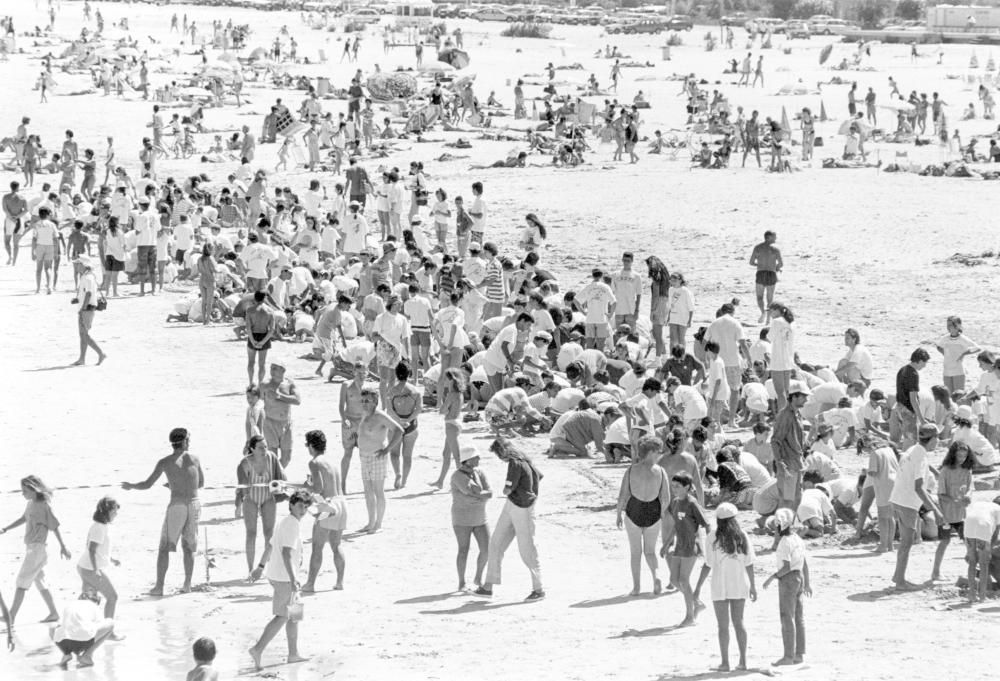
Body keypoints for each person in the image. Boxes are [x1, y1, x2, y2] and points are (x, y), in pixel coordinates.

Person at [121, 427, 204, 595]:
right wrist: (179, 485)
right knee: (188, 547)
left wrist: (131, 486)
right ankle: (187, 584)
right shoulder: (195, 459)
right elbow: (200, 484)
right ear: (184, 441)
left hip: (177, 506)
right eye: (189, 439)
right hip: (195, 504)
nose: (190, 442)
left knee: (164, 547)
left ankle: (159, 587)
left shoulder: (165, 462)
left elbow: (147, 484)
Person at [248, 491, 312, 672]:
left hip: (278, 574)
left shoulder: (285, 521)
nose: (303, 510)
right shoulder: (291, 524)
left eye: (306, 507)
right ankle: (257, 649)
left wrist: (260, 567)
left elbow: (270, 545)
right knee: (283, 615)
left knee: (295, 614)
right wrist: (293, 580)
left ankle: (293, 653)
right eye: (300, 506)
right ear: (291, 504)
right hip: (285, 577)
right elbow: (286, 553)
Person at [476, 438, 545, 601]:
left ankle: (539, 588)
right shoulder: (527, 461)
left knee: (525, 548)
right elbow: (539, 477)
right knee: (497, 543)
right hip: (519, 504)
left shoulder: (515, 463)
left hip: (520, 506)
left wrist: (512, 489)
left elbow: (507, 489)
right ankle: (488, 586)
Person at [693, 503, 757, 672]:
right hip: (739, 583)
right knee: (739, 623)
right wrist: (753, 586)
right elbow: (749, 564)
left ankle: (725, 662)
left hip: (719, 585)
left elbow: (707, 564)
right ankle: (743, 661)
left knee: (723, 626)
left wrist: (698, 587)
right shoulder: (742, 536)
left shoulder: (712, 537)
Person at [1, 475, 70, 626]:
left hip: (37, 549)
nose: (22, 493)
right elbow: (23, 518)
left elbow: (55, 526)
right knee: (40, 582)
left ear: (34, 489)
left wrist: (63, 546)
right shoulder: (30, 504)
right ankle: (54, 613)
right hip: (32, 548)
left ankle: (11, 616)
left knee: (21, 582)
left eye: (25, 490)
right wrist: (5, 529)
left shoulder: (44, 505)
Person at [889, 424, 943, 591]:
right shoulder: (919, 454)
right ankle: (900, 582)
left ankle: (898, 576)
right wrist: (935, 510)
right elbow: (918, 487)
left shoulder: (914, 449)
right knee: (907, 542)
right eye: (937, 438)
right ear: (932, 439)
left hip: (898, 498)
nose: (939, 441)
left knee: (906, 541)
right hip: (907, 502)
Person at [615, 434, 670, 595]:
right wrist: (661, 514)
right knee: (650, 551)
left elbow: (623, 495)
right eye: (658, 451)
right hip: (653, 511)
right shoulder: (660, 471)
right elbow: (666, 497)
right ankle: (656, 577)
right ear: (651, 452)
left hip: (634, 511)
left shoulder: (632, 469)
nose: (660, 454)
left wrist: (618, 514)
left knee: (635, 553)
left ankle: (637, 587)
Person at [763, 508, 810, 666]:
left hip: (788, 580)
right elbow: (804, 562)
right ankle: (799, 654)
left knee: (787, 617)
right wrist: (807, 583)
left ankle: (788, 656)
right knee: (798, 617)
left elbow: (786, 567)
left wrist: (772, 577)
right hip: (799, 577)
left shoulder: (784, 543)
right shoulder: (797, 538)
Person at [662, 471, 709, 626]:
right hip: (679, 545)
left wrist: (710, 544)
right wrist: (666, 543)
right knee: (674, 580)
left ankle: (690, 617)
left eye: (677, 486)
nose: (674, 488)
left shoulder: (692, 503)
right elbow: (676, 524)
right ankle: (695, 602)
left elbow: (706, 524)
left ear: (687, 487)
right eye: (673, 485)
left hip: (691, 545)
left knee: (683, 580)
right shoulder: (675, 502)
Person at [302, 430, 347, 593]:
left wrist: (306, 487)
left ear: (312, 446)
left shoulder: (314, 462)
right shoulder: (332, 462)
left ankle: (310, 584)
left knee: (317, 547)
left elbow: (318, 488)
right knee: (336, 545)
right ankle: (340, 581)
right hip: (341, 502)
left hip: (328, 504)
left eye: (307, 445)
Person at [236, 435, 286, 576]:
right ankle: (250, 568)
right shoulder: (245, 463)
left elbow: (281, 477)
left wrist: (280, 491)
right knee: (251, 533)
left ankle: (266, 568)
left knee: (269, 534)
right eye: (260, 447)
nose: (264, 450)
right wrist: (238, 505)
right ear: (252, 449)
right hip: (250, 498)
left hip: (268, 498)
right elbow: (241, 487)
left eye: (265, 446)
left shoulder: (271, 458)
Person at [356, 387, 404, 533]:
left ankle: (378, 524)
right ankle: (370, 522)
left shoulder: (380, 416)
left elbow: (399, 430)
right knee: (368, 490)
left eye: (367, 401)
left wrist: (387, 449)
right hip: (364, 456)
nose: (364, 403)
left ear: (375, 401)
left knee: (378, 491)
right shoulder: (365, 415)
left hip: (377, 456)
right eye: (363, 400)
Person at [451, 446, 493, 591]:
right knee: (463, 550)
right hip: (462, 518)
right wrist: (481, 495)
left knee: (487, 549)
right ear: (467, 460)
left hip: (480, 517)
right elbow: (471, 491)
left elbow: (488, 492)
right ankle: (462, 582)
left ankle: (478, 577)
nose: (479, 459)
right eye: (475, 457)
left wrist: (478, 495)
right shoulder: (457, 476)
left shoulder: (479, 472)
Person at [932, 441, 973, 582]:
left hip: (962, 514)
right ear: (953, 455)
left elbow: (970, 487)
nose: (962, 459)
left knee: (969, 542)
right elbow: (941, 494)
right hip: (946, 514)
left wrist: (968, 495)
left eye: (964, 456)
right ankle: (935, 572)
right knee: (944, 542)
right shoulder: (945, 471)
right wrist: (955, 501)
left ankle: (973, 571)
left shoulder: (967, 470)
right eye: (959, 456)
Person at [76, 497, 121, 622]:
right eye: (114, 512)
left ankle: (77, 628)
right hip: (89, 568)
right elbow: (91, 549)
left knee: (89, 601)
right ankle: (108, 631)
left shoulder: (102, 526)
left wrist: (111, 559)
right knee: (112, 597)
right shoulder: (99, 527)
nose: (116, 514)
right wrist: (96, 570)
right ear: (106, 512)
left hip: (85, 566)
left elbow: (100, 549)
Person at [52, 589, 115, 670]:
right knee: (110, 622)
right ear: (95, 602)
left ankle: (66, 654)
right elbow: (98, 627)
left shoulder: (71, 604)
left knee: (55, 627)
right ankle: (87, 655)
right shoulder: (93, 606)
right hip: (82, 641)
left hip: (62, 643)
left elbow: (60, 625)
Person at [772, 381, 810, 510]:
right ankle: (782, 528)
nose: (806, 399)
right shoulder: (785, 415)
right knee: (787, 500)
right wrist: (779, 462)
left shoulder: (797, 413)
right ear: (794, 397)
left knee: (797, 497)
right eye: (803, 396)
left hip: (796, 461)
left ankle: (789, 525)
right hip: (788, 461)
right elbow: (775, 440)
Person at [386, 361, 421, 489]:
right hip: (411, 426)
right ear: (409, 374)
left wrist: (399, 421)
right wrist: (408, 421)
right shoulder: (415, 391)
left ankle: (398, 473)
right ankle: (405, 481)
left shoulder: (391, 391)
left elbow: (389, 410)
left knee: (394, 454)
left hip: (395, 425)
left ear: (396, 374)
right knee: (407, 456)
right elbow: (418, 409)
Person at [260, 362, 301, 468]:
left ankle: (276, 476)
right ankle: (275, 480)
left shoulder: (290, 384)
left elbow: (297, 400)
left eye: (275, 368)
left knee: (287, 457)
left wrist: (279, 396)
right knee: (272, 456)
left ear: (283, 370)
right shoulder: (265, 384)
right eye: (271, 368)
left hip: (286, 424)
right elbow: (257, 400)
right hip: (270, 422)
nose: (272, 371)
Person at [963, 497, 1000, 603]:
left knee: (972, 562)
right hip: (984, 526)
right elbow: (995, 534)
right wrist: (989, 550)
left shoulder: (980, 504)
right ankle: (982, 596)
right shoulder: (998, 509)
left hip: (968, 525)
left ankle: (971, 595)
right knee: (984, 564)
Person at [71, 255, 106, 366]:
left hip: (87, 308)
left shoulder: (87, 277)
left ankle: (101, 353)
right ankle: (82, 358)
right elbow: (86, 292)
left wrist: (83, 308)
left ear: (84, 265)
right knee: (83, 334)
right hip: (86, 308)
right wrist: (78, 300)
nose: (76, 266)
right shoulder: (87, 276)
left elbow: (89, 293)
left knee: (84, 335)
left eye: (78, 264)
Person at [891, 348, 930, 448]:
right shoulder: (913, 374)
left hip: (899, 407)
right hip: (908, 411)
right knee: (911, 442)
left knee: (906, 439)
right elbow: (913, 399)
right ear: (920, 361)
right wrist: (921, 419)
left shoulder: (902, 369)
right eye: (925, 363)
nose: (925, 365)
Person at [935, 315, 980, 393]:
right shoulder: (945, 338)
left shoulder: (963, 339)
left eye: (950, 325)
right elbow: (938, 346)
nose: (948, 327)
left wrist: (964, 353)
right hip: (946, 371)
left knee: (958, 396)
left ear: (958, 326)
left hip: (958, 371)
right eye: (947, 325)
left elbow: (977, 348)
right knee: (948, 397)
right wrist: (944, 353)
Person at [749, 231, 782, 324]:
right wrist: (775, 267)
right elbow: (781, 264)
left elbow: (751, 262)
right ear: (769, 237)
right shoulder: (775, 249)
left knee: (759, 297)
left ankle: (763, 312)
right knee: (770, 298)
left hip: (760, 273)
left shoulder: (758, 247)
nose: (776, 239)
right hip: (771, 274)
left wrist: (759, 264)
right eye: (774, 237)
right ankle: (768, 319)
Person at [246, 291, 277, 386]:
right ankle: (260, 384)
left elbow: (248, 327)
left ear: (255, 298)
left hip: (253, 335)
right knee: (262, 364)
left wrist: (252, 340)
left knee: (251, 362)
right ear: (264, 298)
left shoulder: (250, 310)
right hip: (264, 335)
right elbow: (272, 329)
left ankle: (251, 383)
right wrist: (263, 342)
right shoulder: (270, 311)